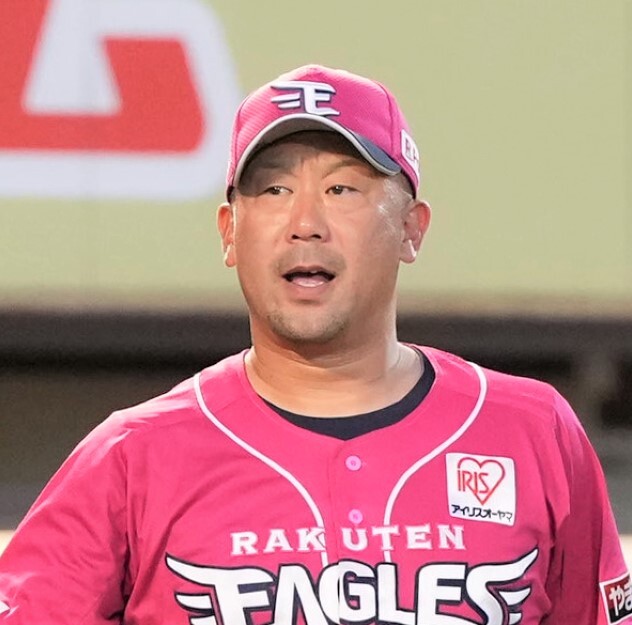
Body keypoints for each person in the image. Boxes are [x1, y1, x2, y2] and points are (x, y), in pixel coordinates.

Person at [0, 64, 630, 625]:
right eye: (274, 191)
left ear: (411, 229)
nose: (305, 224)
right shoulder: (133, 456)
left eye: (341, 189)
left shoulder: (531, 431)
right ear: (229, 232)